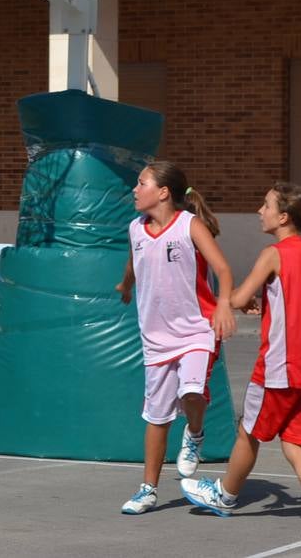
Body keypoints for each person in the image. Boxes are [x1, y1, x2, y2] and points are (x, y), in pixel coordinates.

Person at [180, 181, 301, 536]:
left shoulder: (273, 254)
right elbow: (296, 303)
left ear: (284, 216)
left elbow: (239, 296)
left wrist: (230, 300)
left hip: (281, 367)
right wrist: (265, 300)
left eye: (266, 205)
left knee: (248, 434)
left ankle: (225, 497)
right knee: (293, 443)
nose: (260, 211)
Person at [115, 160, 236, 515]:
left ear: (163, 192)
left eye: (141, 183)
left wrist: (225, 304)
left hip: (196, 329)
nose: (135, 190)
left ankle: (195, 435)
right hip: (155, 338)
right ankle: (147, 489)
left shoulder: (190, 225)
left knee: (192, 389)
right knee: (157, 416)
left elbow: (223, 268)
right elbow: (134, 261)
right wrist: (126, 284)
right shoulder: (136, 228)